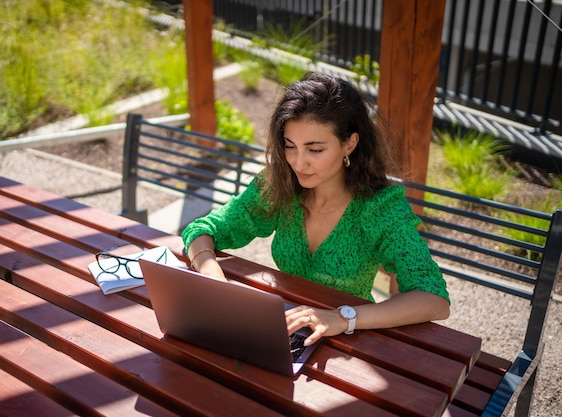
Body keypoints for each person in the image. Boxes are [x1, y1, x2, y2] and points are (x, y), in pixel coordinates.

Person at [182, 71, 450, 347]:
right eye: (290, 146)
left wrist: (343, 318)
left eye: (315, 150)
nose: (298, 163)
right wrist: (212, 275)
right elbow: (202, 229)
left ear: (350, 143)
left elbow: (434, 300)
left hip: (349, 341)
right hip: (283, 329)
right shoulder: (280, 185)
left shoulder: (380, 209)